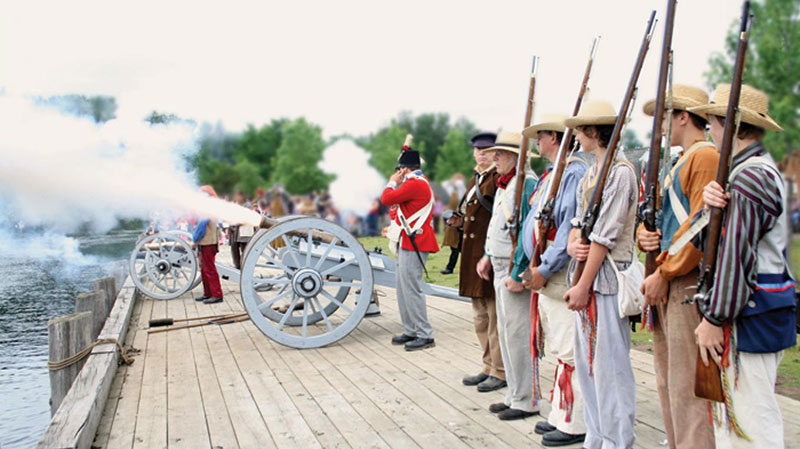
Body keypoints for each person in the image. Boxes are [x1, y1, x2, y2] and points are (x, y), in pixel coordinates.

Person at [690, 84, 794, 449]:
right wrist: (709, 208)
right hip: (754, 309)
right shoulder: (749, 172)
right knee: (741, 420)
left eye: (713, 124)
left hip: (748, 314)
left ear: (729, 125)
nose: (709, 132)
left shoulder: (750, 176)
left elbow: (736, 257)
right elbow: (707, 243)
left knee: (752, 422)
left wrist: (714, 318)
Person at [636, 85, 718, 449]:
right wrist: (644, 235)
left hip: (684, 280)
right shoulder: (679, 160)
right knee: (668, 378)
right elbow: (661, 221)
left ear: (684, 116)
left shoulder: (704, 156)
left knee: (687, 384)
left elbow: (701, 228)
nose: (660, 126)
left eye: (665, 117)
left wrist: (663, 272)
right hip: (668, 278)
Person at [563, 100, 638, 448]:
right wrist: (572, 244)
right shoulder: (592, 172)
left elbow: (605, 237)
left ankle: (618, 441)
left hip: (606, 282)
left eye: (581, 130)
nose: (577, 136)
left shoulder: (620, 173)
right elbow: (579, 224)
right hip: (589, 280)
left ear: (595, 131)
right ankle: (597, 438)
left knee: (611, 371)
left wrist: (582, 285)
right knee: (589, 368)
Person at [520, 114, 589, 446]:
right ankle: (561, 414)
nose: (537, 141)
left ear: (555, 138)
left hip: (558, 272)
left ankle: (576, 422)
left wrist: (545, 268)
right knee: (560, 346)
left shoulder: (571, 172)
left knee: (569, 348)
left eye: (542, 135)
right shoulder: (555, 173)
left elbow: (566, 231)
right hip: (547, 270)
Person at [476, 130, 539, 421]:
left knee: (517, 335)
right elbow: (501, 226)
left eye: (500, 153)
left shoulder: (526, 183)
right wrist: (488, 255)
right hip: (500, 264)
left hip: (514, 269)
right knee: (505, 333)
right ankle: (514, 393)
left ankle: (526, 400)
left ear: (516, 156)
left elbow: (527, 232)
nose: (495, 157)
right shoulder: (506, 183)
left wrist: (517, 272)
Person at [449, 131, 507, 392]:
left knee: (494, 317)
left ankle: (500, 370)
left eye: (486, 150)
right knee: (480, 317)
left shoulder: (498, 179)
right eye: (477, 150)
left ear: (496, 153)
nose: (481, 154)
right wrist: (459, 222)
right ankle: (487, 365)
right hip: (473, 254)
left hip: (489, 254)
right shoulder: (477, 178)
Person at [381, 141, 440, 351]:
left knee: (411, 289)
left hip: (416, 240)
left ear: (404, 169)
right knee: (403, 288)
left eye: (399, 170)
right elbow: (397, 210)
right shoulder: (414, 183)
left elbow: (387, 198)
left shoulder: (415, 183)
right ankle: (411, 330)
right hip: (408, 239)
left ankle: (424, 334)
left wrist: (391, 182)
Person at [193, 185, 224, 304]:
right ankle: (208, 293)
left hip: (208, 242)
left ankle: (217, 294)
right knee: (204, 269)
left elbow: (200, 229)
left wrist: (194, 240)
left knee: (209, 269)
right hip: (206, 242)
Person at [440, 174, 466, 274]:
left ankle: (465, 268)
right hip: (453, 223)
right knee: (454, 248)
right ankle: (450, 268)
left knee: (464, 248)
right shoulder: (450, 192)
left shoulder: (463, 191)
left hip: (463, 223)